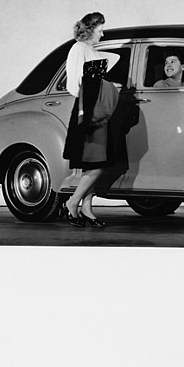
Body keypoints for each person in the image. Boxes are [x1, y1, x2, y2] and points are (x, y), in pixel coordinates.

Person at [62, 12, 120, 228]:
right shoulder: (78, 49)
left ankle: (86, 208)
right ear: (90, 30)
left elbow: (112, 62)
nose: (103, 34)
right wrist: (96, 83)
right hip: (87, 110)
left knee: (92, 164)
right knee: (95, 165)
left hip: (95, 109)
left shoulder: (89, 50)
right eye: (100, 30)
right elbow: (74, 85)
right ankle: (72, 203)